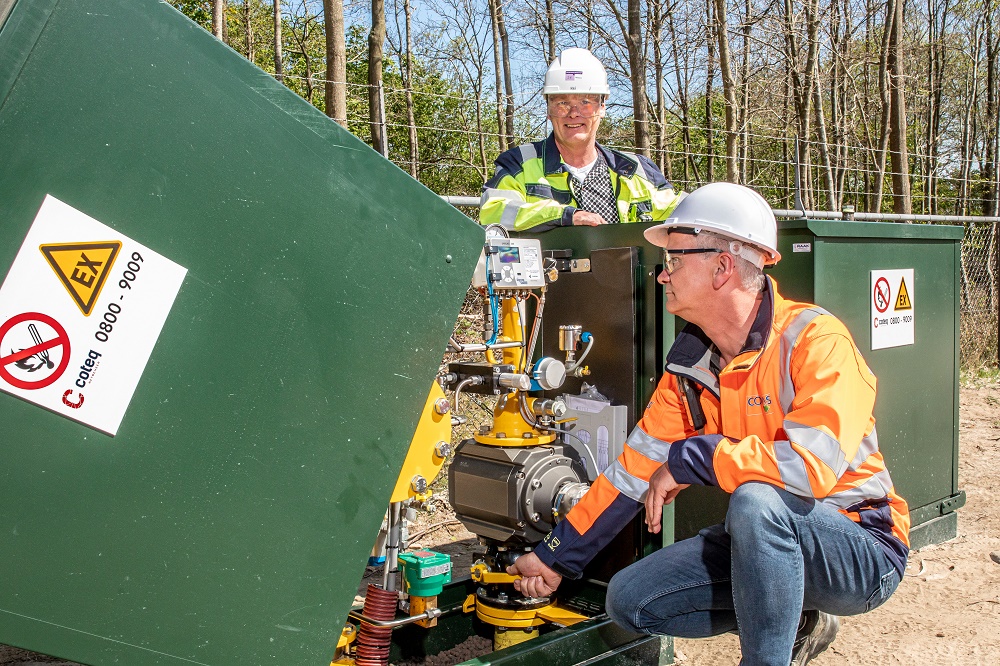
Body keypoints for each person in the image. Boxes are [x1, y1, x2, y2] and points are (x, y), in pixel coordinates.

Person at [508, 182, 911, 666]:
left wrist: (696, 457)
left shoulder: (815, 340)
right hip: (766, 539)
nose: (663, 275)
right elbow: (631, 473)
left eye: (675, 259)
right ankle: (799, 617)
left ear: (722, 266)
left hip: (862, 546)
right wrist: (556, 556)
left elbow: (809, 470)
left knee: (757, 502)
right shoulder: (691, 368)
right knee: (629, 599)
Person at [479, 48, 683, 232]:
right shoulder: (518, 165)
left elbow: (684, 212)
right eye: (562, 103)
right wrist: (565, 216)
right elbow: (493, 211)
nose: (574, 113)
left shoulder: (636, 171)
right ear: (549, 110)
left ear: (602, 107)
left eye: (585, 102)